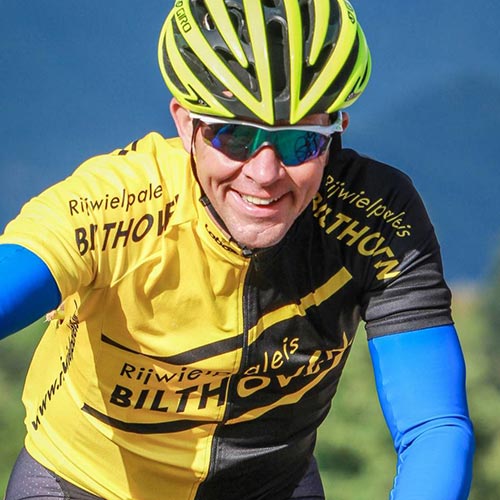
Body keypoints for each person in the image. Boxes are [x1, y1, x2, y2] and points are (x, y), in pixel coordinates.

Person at [0, 1, 475, 499]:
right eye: (233, 135)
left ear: (337, 131)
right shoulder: (116, 204)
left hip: (271, 488)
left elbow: (434, 429)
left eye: (300, 142)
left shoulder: (377, 218)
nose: (264, 174)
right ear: (186, 125)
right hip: (83, 483)